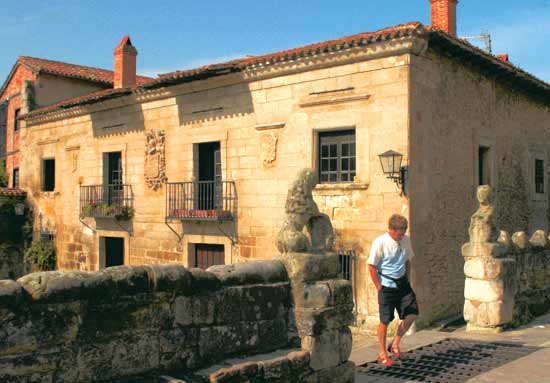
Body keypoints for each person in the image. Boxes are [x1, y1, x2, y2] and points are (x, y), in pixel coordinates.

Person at [367, 214, 419, 367]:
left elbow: (408, 260)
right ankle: (382, 353)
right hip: (386, 287)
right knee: (385, 321)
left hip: (403, 285)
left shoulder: (406, 240)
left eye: (404, 231)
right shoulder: (380, 242)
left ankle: (395, 343)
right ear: (391, 230)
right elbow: (371, 266)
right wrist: (379, 287)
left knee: (412, 313)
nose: (402, 235)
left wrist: (407, 279)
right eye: (399, 232)